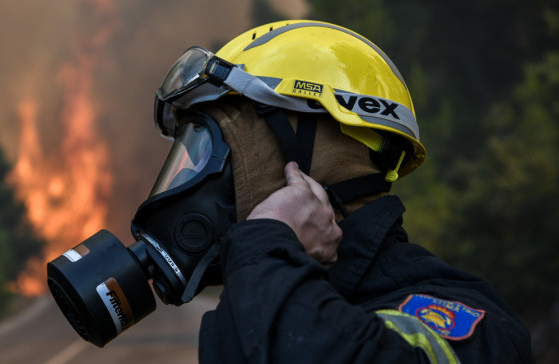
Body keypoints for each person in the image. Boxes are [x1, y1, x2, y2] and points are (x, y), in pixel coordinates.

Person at [152, 20, 534, 363]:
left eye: (216, 148)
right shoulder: (259, 293)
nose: (193, 178)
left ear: (309, 153)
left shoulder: (471, 322)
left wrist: (266, 244)